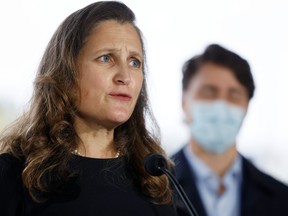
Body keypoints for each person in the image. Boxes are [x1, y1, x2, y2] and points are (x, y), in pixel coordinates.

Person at [0, 2, 178, 216]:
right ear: (66, 72)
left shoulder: (155, 178)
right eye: (106, 58)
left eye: (134, 62)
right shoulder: (13, 174)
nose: (125, 77)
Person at [172, 44, 288, 216]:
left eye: (234, 95)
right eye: (209, 91)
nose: (221, 106)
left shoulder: (282, 198)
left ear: (246, 107)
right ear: (184, 102)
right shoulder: (149, 190)